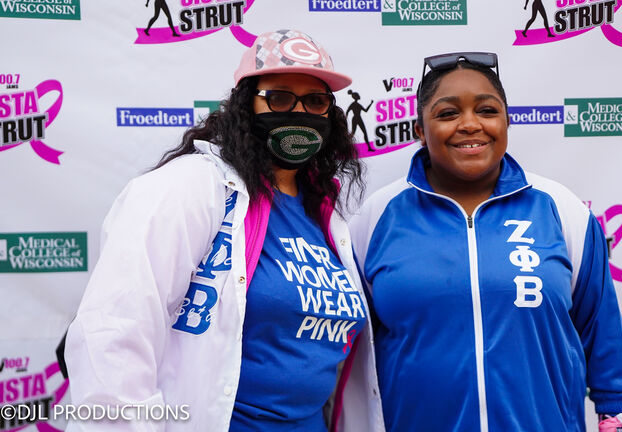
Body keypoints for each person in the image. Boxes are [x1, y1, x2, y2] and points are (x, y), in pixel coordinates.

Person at [64, 29, 384, 432]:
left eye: (315, 101)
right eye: (280, 98)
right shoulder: (191, 186)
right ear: (246, 105)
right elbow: (115, 331)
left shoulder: (327, 212)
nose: (299, 112)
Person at [350, 52, 622, 432]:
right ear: (419, 130)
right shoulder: (375, 218)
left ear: (507, 120)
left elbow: (602, 331)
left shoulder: (562, 209)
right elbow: (353, 352)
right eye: (448, 113)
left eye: (487, 110)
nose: (470, 124)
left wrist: (619, 415)